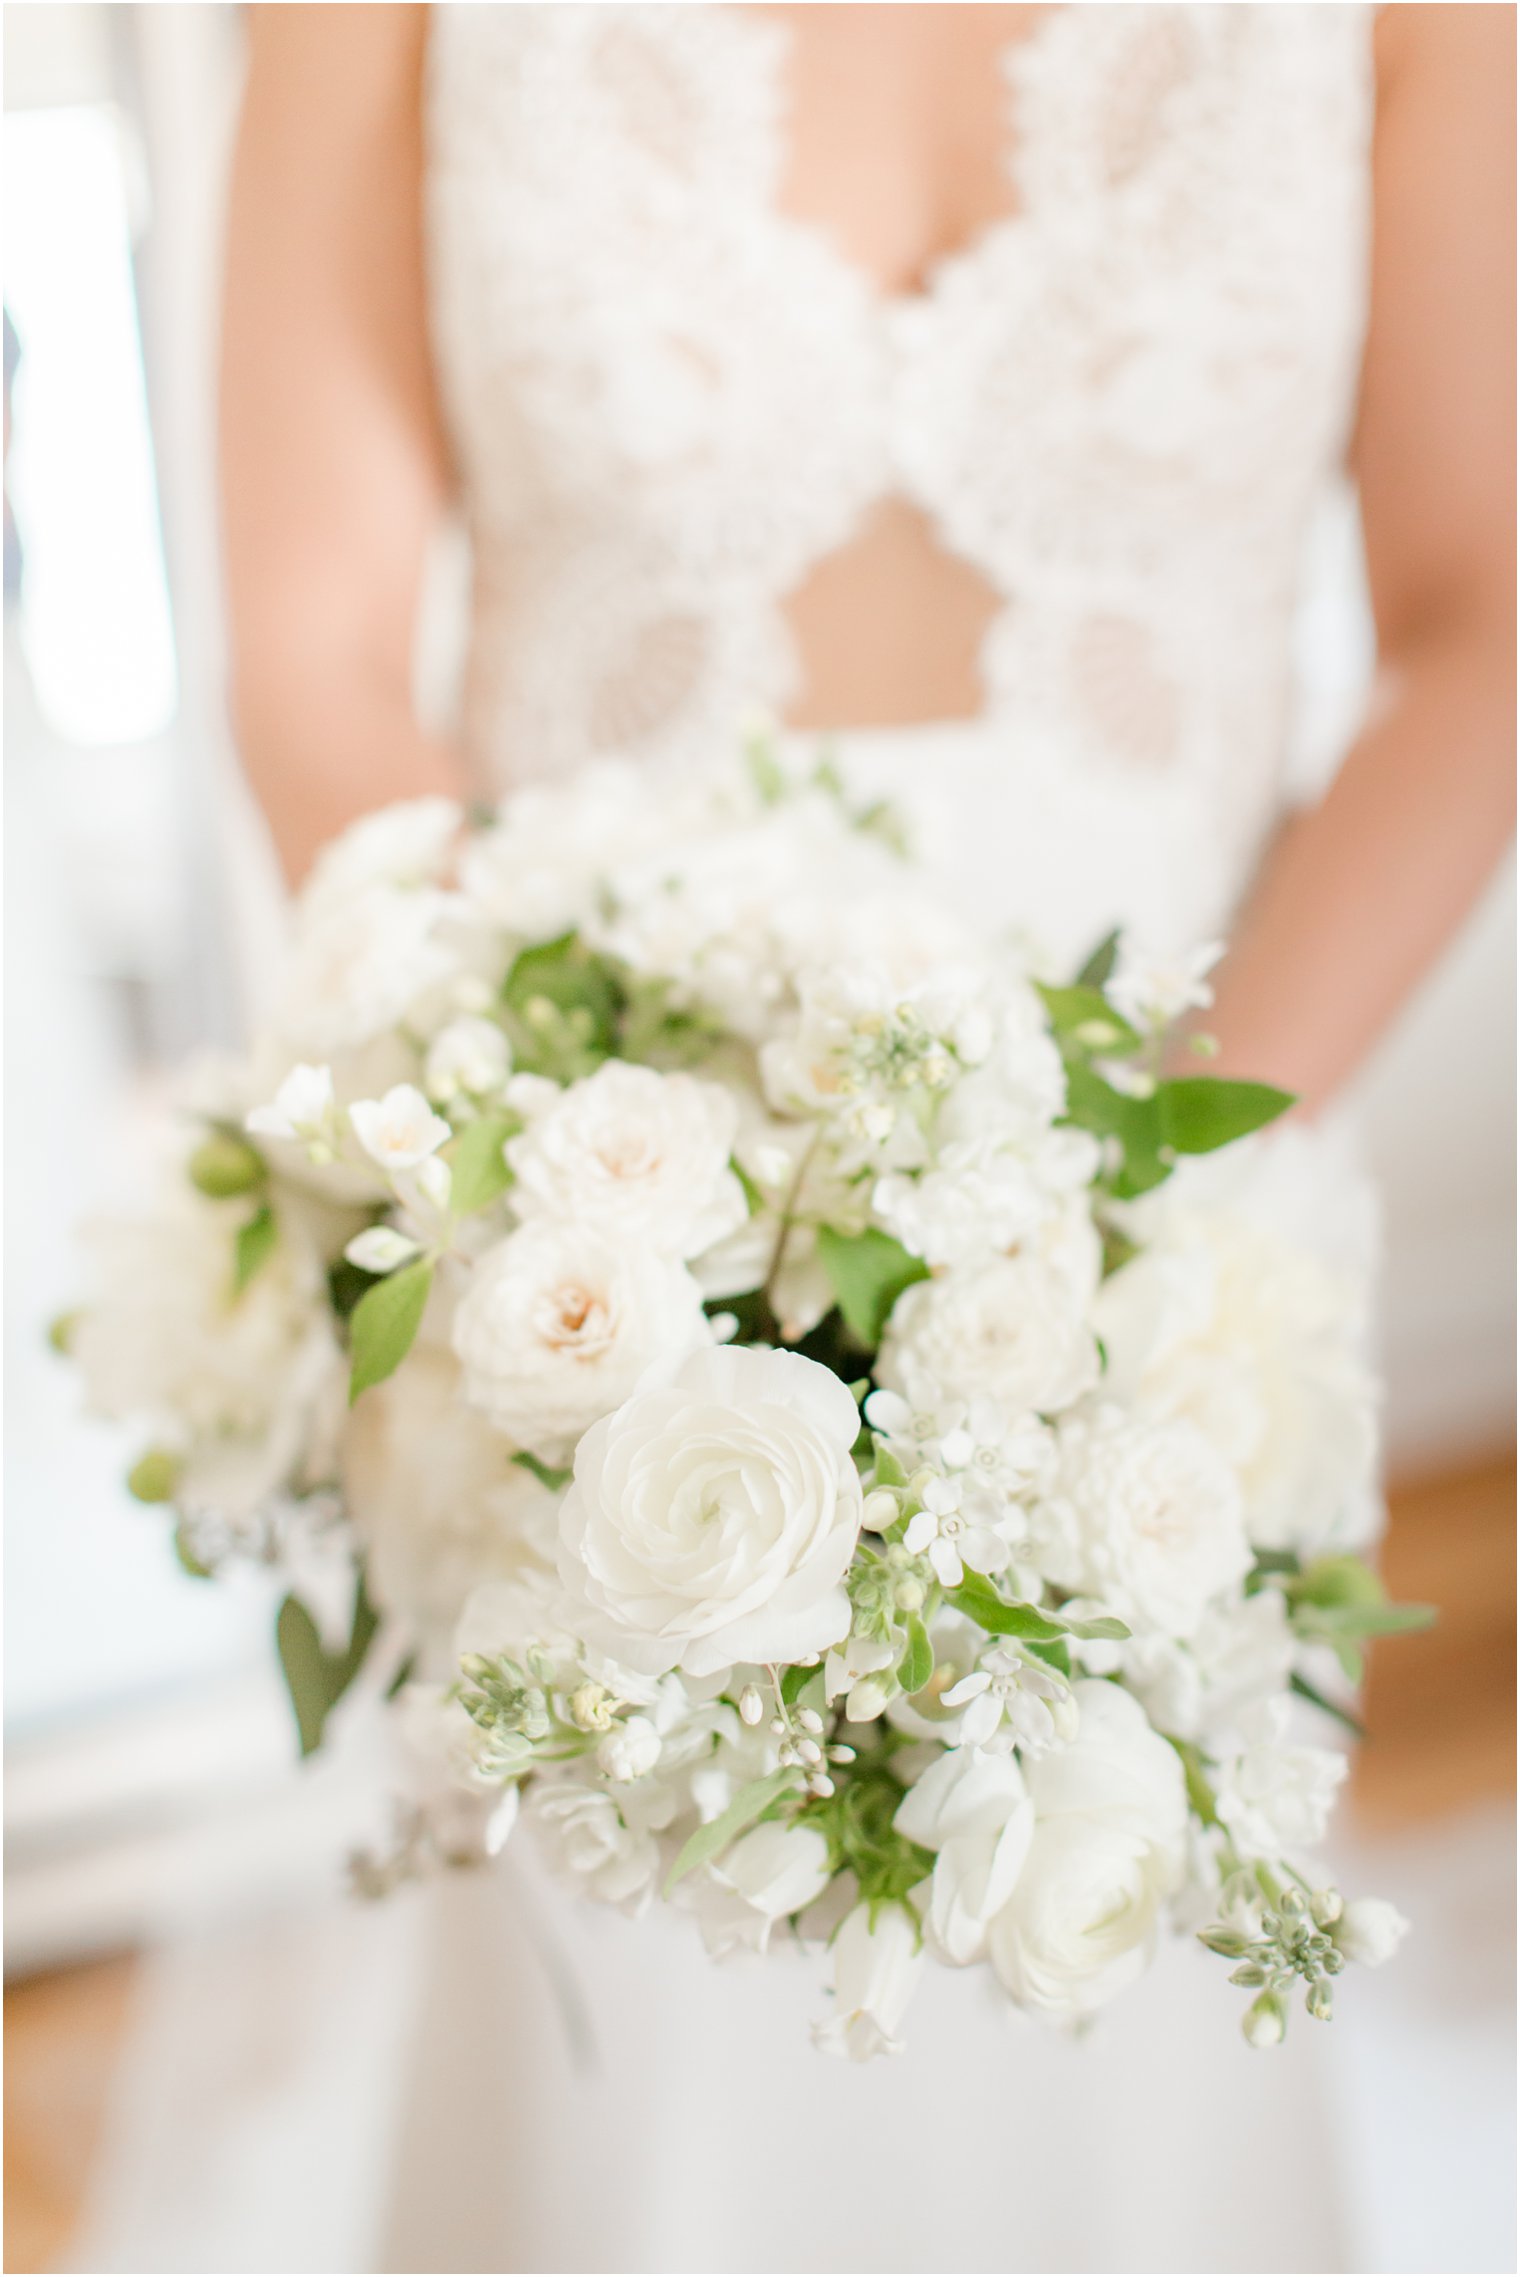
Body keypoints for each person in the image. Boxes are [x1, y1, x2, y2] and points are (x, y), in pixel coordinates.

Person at [205, 7, 1511, 2270]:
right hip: (598, 1217)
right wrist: (570, 1175)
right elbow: (312, 650)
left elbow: (1482, 621)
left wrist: (1148, 1209)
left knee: (1125, 1998)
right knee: (636, 2024)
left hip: (1173, 1237)